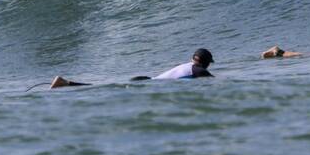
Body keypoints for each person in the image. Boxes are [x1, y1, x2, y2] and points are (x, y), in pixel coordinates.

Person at [47, 48, 215, 89]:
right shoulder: (198, 71)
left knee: (103, 89)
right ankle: (64, 83)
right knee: (101, 89)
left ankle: (66, 83)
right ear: (206, 62)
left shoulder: (186, 66)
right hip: (146, 86)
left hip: (146, 81)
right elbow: (211, 80)